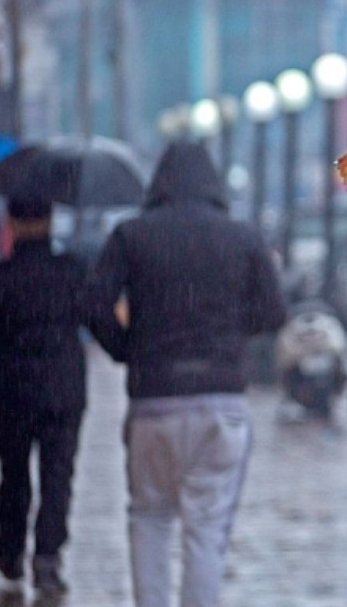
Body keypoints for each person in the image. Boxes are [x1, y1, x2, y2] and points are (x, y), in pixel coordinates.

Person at [86, 141, 286, 607]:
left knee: (149, 518)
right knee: (207, 528)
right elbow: (275, 313)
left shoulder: (132, 235)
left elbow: (93, 304)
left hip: (153, 401)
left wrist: (128, 350)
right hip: (222, 405)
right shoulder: (244, 237)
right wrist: (231, 338)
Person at [0, 195, 86, 595]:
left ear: (10, 221)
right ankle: (47, 557)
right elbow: (99, 318)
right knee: (57, 476)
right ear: (50, 219)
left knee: (13, 475)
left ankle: (10, 551)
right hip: (63, 393)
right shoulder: (72, 272)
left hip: (10, 395)